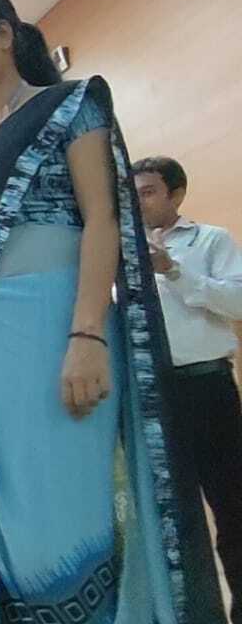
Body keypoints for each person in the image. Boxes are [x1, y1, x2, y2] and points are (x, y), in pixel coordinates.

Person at [0, 0, 224, 622]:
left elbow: (102, 218)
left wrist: (86, 336)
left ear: (3, 34)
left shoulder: (69, 107)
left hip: (53, 328)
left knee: (58, 507)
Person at [133, 155, 242, 623]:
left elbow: (237, 300)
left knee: (233, 507)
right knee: (170, 515)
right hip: (149, 396)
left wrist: (173, 270)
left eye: (148, 192)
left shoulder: (211, 240)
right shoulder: (118, 250)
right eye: (132, 193)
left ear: (176, 195)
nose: (138, 201)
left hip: (207, 388)